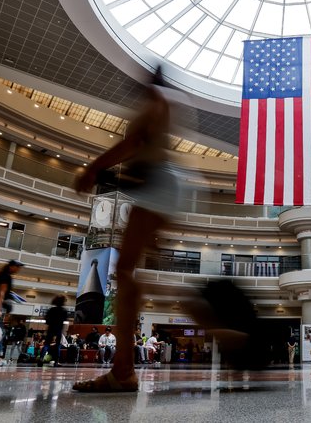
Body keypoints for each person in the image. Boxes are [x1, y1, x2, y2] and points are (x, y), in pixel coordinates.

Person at [72, 66, 180, 392]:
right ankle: (123, 369)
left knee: (126, 272)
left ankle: (123, 371)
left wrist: (94, 168)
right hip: (160, 186)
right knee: (129, 274)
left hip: (158, 184)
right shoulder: (163, 106)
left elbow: (135, 142)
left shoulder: (154, 104)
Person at [43, 295, 68, 367]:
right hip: (58, 330)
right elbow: (64, 321)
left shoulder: (51, 310)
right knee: (57, 346)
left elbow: (47, 320)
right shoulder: (64, 311)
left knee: (46, 345)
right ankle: (56, 362)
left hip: (50, 329)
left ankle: (41, 358)